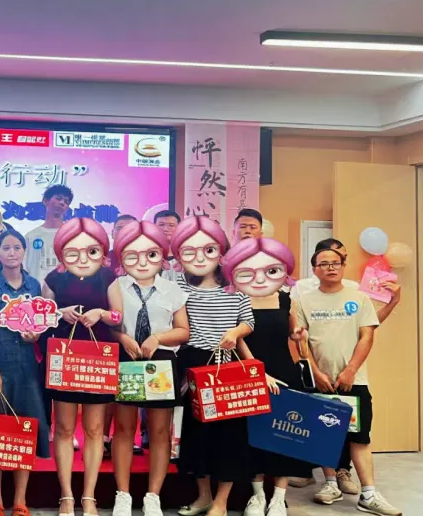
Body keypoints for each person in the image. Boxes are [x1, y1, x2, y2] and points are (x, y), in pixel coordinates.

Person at [291, 248, 400, 516]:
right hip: (320, 380)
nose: (331, 267)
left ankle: (369, 494)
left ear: (343, 266)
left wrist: (350, 370)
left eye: (336, 263)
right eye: (324, 264)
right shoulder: (303, 301)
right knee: (322, 434)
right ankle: (330, 483)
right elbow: (300, 341)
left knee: (359, 437)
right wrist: (315, 372)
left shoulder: (359, 298)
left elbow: (367, 336)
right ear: (314, 270)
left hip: (354, 380)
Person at [170, 216, 254, 516]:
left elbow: (248, 321)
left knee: (229, 435)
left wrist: (234, 332)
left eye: (209, 249)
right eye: (191, 250)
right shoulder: (178, 284)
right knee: (197, 434)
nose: (200, 257)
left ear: (221, 251)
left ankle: (221, 502)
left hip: (225, 365)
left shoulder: (236, 284)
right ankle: (204, 496)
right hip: (192, 364)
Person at [221, 238, 311, 516]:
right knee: (253, 435)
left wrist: (299, 334)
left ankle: (278, 498)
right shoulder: (235, 298)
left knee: (283, 435)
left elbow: (293, 331)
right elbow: (237, 339)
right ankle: (257, 496)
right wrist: (257, 373)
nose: (260, 278)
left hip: (284, 372)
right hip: (250, 373)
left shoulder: (286, 298)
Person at [106, 220, 189, 516]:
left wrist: (158, 338)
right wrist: (123, 337)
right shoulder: (116, 286)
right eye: (133, 255)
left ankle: (153, 496)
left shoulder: (172, 289)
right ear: (122, 257)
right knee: (124, 429)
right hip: (128, 358)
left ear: (162, 256)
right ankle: (123, 494)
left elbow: (183, 331)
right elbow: (111, 324)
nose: (142, 262)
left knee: (159, 432)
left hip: (161, 362)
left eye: (150, 254)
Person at [41, 218, 118, 516]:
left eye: (91, 250)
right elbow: (43, 317)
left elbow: (118, 316)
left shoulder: (108, 277)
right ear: (62, 251)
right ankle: (66, 496)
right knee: (63, 428)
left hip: (98, 360)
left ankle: (89, 496)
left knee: (95, 429)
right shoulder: (54, 278)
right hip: (64, 358)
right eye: (74, 251)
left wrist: (101, 313)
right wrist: (60, 312)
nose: (83, 257)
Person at [0, 230, 52, 516]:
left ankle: (20, 500)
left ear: (23, 251)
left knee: (24, 431)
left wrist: (36, 335)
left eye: (17, 247)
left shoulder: (33, 284)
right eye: (6, 248)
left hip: (27, 365)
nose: (12, 252)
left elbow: (40, 324)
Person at [24, 185, 73, 283]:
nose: (62, 203)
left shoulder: (72, 236)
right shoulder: (31, 236)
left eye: (66, 201)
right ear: (45, 201)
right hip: (37, 290)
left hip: (64, 290)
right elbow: (24, 268)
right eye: (58, 198)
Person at [153, 210, 182, 278]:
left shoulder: (186, 254)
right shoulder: (145, 253)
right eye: (161, 225)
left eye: (171, 225)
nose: (165, 229)